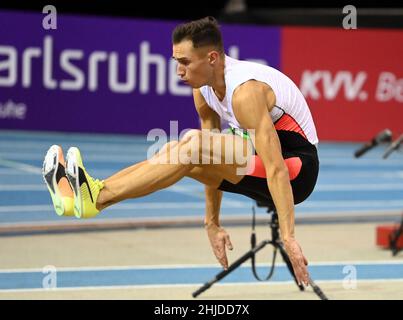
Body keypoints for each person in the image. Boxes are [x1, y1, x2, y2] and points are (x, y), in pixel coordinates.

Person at [42, 16, 319, 287]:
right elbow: (209, 154)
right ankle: (92, 197)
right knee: (178, 152)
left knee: (191, 143)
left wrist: (288, 237)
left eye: (185, 62)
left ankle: (96, 196)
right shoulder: (204, 89)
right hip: (257, 158)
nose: (179, 71)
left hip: (296, 169)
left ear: (212, 58)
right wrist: (212, 223)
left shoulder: (245, 92)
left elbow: (276, 168)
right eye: (176, 62)